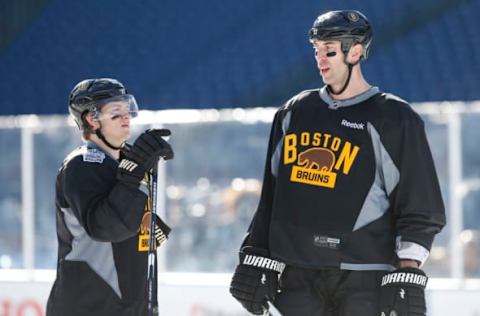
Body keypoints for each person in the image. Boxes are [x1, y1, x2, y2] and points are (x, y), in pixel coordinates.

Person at [230, 10, 446, 316]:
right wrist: (253, 255)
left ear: (355, 52)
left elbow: (420, 205)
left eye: (329, 51)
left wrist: (408, 269)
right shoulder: (294, 112)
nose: (321, 59)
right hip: (297, 274)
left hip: (365, 276)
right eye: (317, 50)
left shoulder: (394, 119)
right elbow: (271, 197)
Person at [46, 78, 173, 316]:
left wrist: (153, 227)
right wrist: (133, 171)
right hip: (90, 306)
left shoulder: (125, 165)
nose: (127, 117)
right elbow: (105, 228)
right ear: (91, 120)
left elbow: (136, 228)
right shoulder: (82, 164)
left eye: (127, 110)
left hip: (129, 304)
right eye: (116, 112)